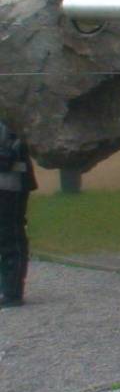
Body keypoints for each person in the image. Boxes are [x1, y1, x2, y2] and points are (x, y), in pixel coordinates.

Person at [0, 121, 37, 308]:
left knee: (10, 237)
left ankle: (12, 291)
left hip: (11, 185)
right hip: (9, 183)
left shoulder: (11, 117)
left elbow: (12, 153)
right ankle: (9, 289)